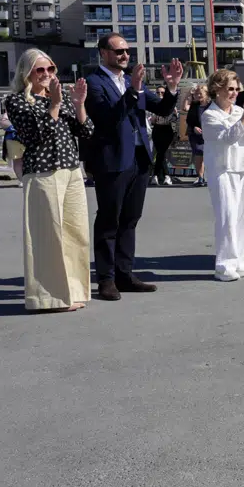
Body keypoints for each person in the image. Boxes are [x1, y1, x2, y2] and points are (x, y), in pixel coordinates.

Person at [82, 34, 181, 302]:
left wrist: (172, 88)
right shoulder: (94, 83)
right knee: (108, 221)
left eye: (127, 51)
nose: (125, 55)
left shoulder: (128, 81)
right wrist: (133, 91)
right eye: (119, 51)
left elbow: (160, 107)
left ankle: (125, 274)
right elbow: (106, 119)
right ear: (103, 53)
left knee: (130, 219)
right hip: (112, 160)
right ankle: (106, 279)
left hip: (139, 159)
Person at [5, 49, 93, 311]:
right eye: (39, 70)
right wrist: (54, 103)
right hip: (43, 172)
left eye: (50, 69)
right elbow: (37, 135)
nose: (46, 74)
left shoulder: (62, 97)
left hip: (71, 169)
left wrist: (78, 104)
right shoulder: (17, 101)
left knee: (76, 234)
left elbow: (86, 131)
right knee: (47, 236)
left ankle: (73, 291)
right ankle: (48, 297)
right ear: (26, 73)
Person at [201, 69, 244, 282]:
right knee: (227, 218)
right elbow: (227, 138)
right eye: (229, 89)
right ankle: (224, 265)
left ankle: (240, 262)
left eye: (236, 89)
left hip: (243, 168)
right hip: (222, 170)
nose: (234, 93)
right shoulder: (209, 115)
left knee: (242, 218)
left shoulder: (238, 111)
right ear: (217, 89)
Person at [149, 85, 177, 187]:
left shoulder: (170, 104)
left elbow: (174, 119)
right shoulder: (152, 104)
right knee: (160, 153)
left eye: (162, 93)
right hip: (156, 129)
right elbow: (150, 119)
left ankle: (157, 176)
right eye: (158, 92)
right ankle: (165, 176)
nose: (160, 94)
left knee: (162, 152)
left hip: (167, 130)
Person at [183, 84, 209, 188]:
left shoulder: (212, 105)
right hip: (195, 134)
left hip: (209, 134)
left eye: (200, 93)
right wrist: (189, 94)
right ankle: (200, 177)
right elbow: (186, 110)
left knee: (208, 155)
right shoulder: (194, 105)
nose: (198, 95)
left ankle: (209, 176)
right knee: (199, 154)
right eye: (197, 93)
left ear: (206, 94)